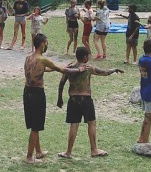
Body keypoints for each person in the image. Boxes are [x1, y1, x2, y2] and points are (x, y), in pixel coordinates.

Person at [23, 33, 82, 164]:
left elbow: (40, 70)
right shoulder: (43, 59)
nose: (47, 45)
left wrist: (62, 68)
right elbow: (60, 69)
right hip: (37, 94)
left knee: (34, 124)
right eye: (46, 43)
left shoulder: (28, 58)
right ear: (42, 44)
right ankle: (29, 156)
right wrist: (78, 69)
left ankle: (38, 152)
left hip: (27, 92)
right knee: (36, 126)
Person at [56, 46, 122, 158]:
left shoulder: (69, 68)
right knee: (91, 123)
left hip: (73, 99)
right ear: (85, 57)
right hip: (86, 99)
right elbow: (104, 72)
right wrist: (114, 70)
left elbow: (61, 83)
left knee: (74, 125)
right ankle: (93, 149)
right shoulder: (88, 68)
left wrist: (60, 98)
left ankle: (68, 152)